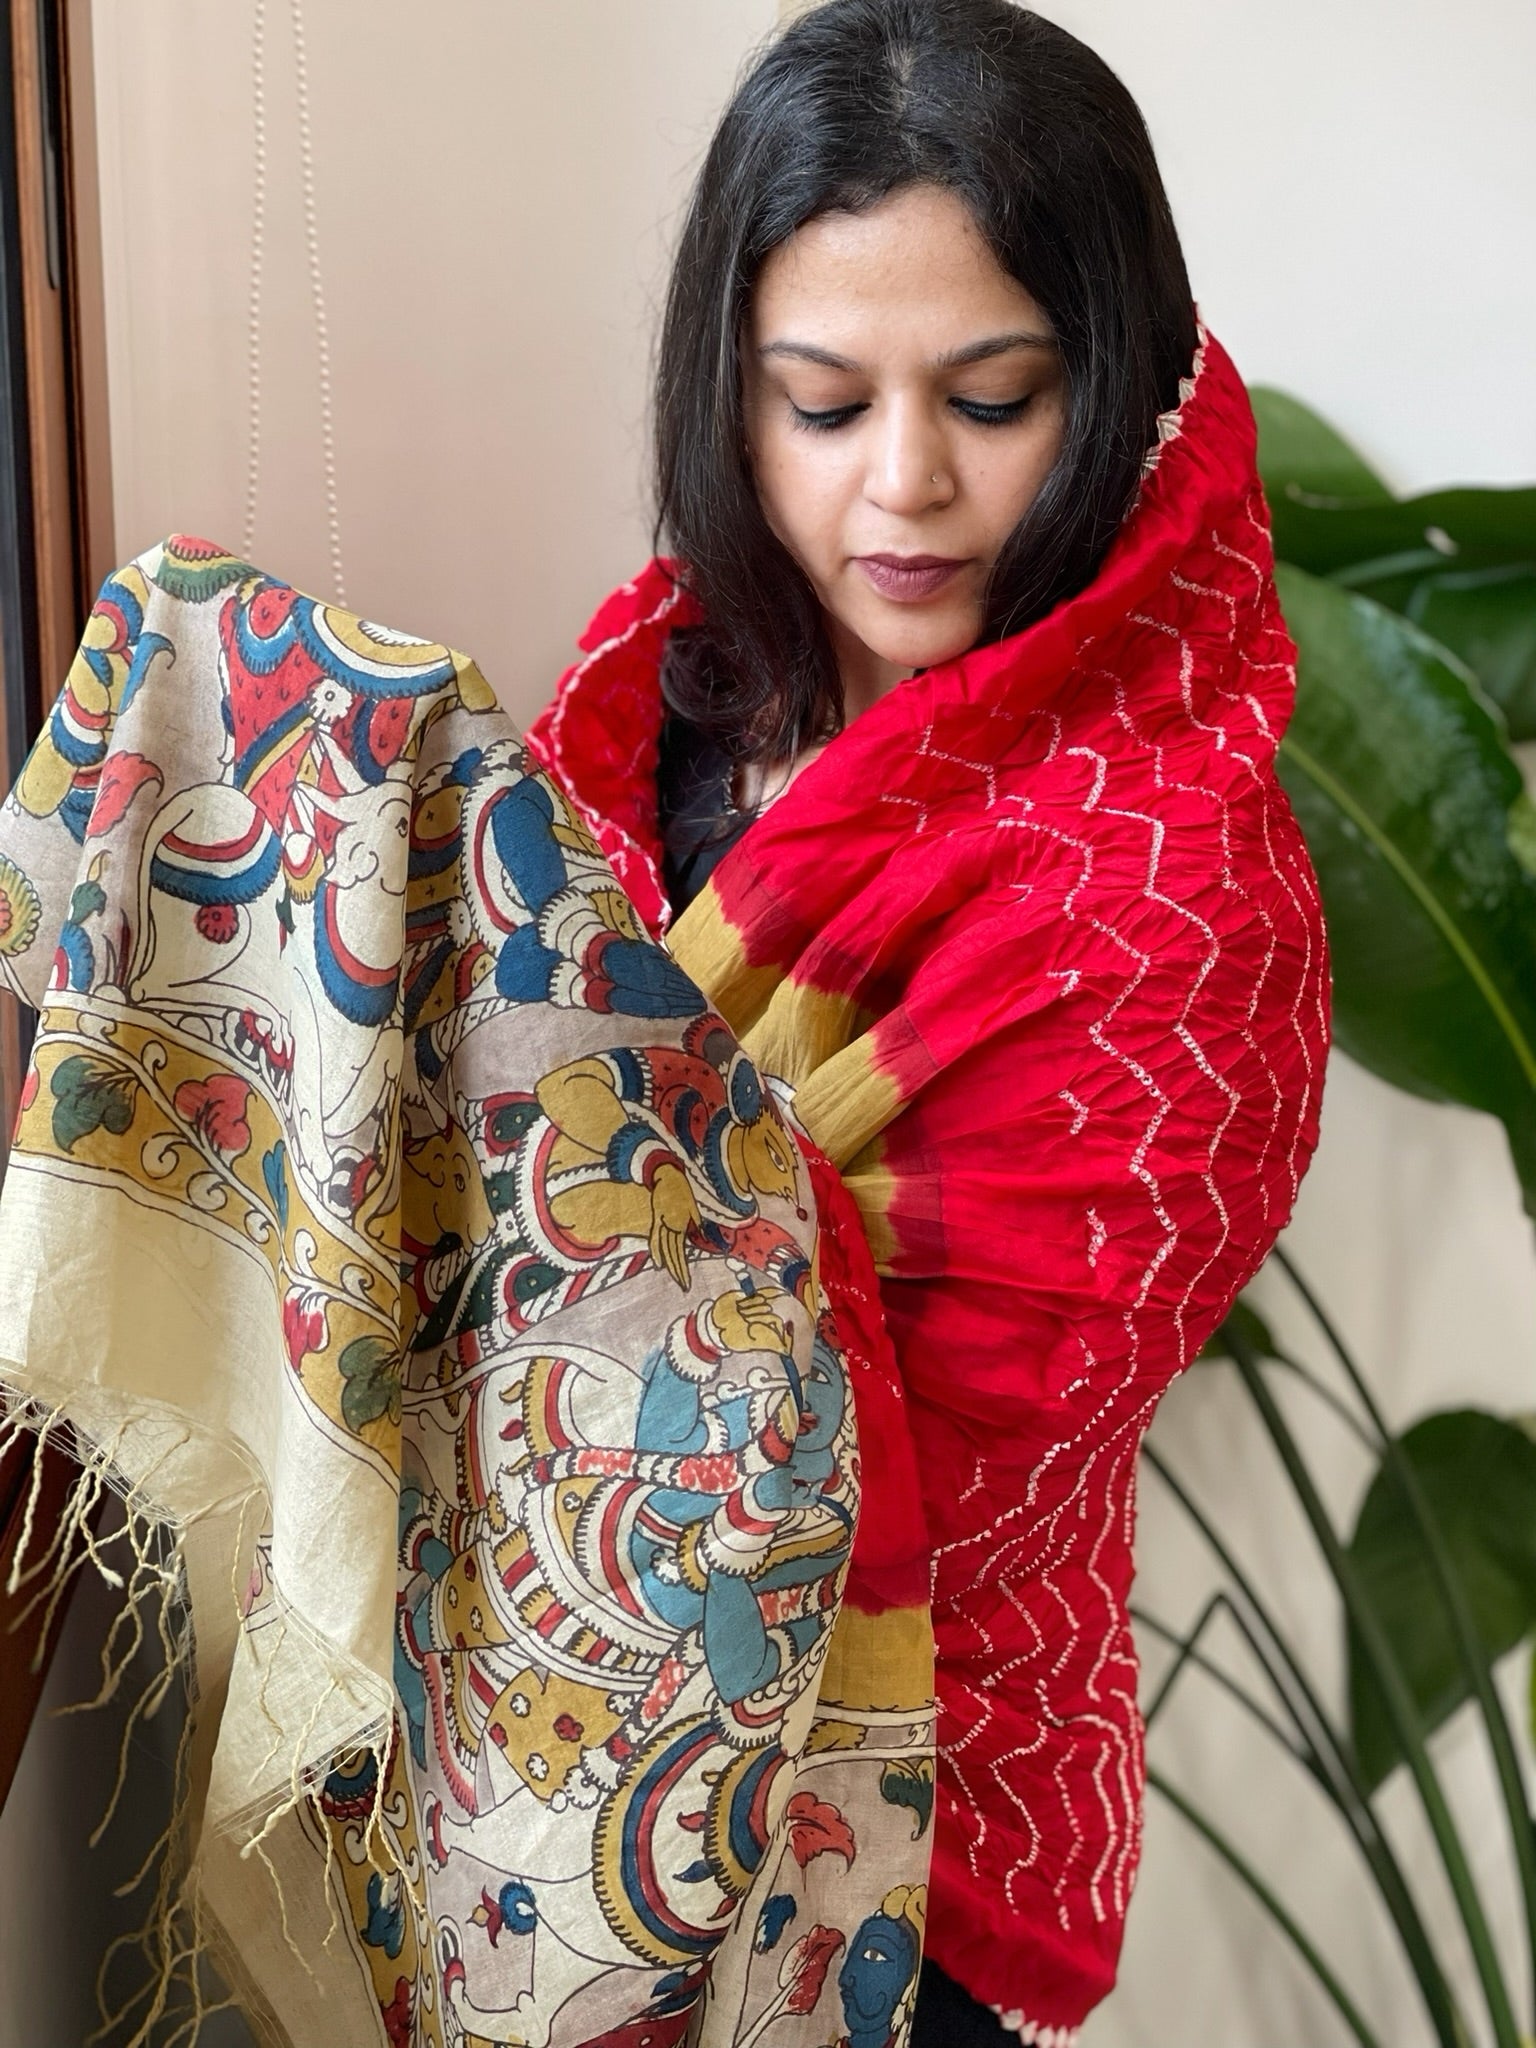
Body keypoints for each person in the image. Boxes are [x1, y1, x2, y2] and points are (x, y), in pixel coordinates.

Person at [527, 2, 1330, 2044]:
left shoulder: (1177, 889)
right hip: (542, 1760)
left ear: (1120, 380)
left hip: (912, 1824)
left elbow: (937, 1440)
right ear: (730, 393)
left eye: (993, 397)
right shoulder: (677, 680)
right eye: (818, 401)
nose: (904, 485)